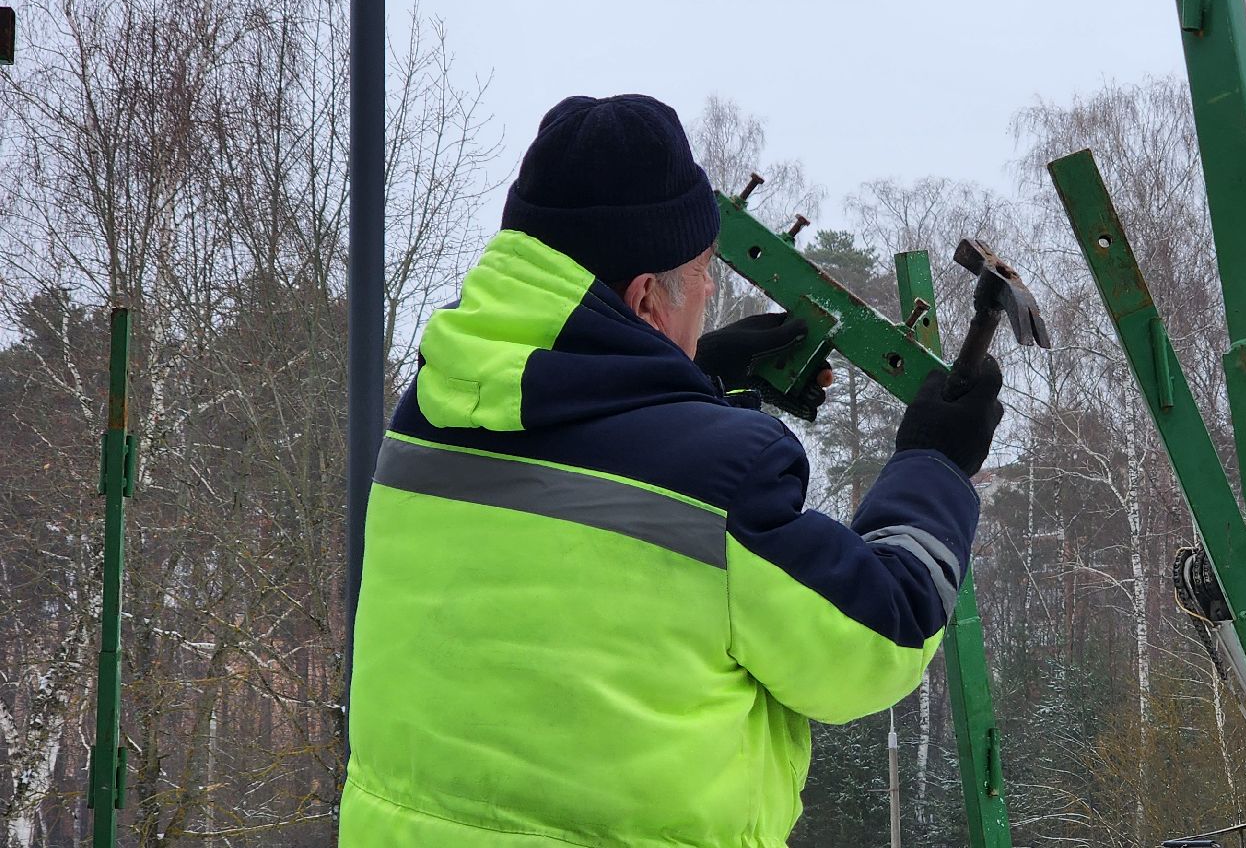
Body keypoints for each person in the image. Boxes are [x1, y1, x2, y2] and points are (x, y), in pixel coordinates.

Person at [339, 94, 1003, 847]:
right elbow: (877, 639)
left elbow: (579, 487)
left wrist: (692, 384)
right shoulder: (725, 478)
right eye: (700, 269)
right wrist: (935, 464)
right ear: (646, 297)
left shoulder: (425, 416)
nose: (713, 290)